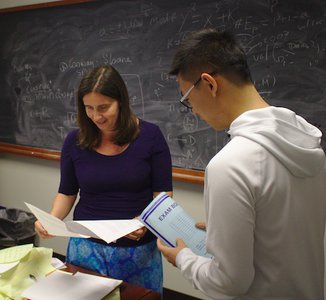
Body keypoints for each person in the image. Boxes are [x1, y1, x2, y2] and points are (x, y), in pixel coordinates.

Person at [157, 28, 326, 299]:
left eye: (187, 100)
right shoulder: (307, 143)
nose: (194, 111)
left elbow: (228, 283)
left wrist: (183, 258)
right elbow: (284, 231)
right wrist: (229, 233)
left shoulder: (230, 165)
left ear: (209, 84)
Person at [35, 65, 173, 294]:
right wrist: (51, 220)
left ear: (121, 101)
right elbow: (67, 193)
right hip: (86, 248)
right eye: (88, 108)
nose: (96, 116)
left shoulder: (151, 136)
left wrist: (145, 221)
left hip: (137, 252)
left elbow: (163, 196)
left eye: (103, 107)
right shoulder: (74, 140)